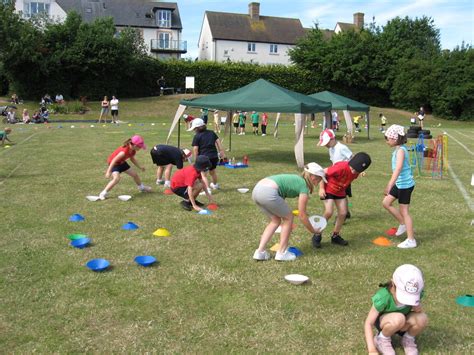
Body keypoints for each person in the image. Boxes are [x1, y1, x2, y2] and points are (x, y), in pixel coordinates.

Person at [252, 163, 327, 261]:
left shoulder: (296, 180)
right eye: (319, 179)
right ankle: (282, 253)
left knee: (275, 220)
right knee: (289, 218)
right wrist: (313, 231)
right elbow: (302, 215)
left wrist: (302, 213)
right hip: (268, 192)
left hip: (257, 190)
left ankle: (260, 252)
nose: (320, 181)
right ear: (313, 177)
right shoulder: (304, 186)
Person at [364, 264, 428, 355]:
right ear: (393, 284)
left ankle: (408, 339)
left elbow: (418, 312)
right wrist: (372, 350)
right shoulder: (383, 297)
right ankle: (382, 339)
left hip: (403, 322)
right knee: (399, 318)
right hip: (386, 322)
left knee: (422, 318)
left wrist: (417, 307)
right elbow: (368, 323)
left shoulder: (416, 291)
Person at [315, 152, 371, 248]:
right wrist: (321, 188)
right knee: (329, 212)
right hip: (328, 189)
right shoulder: (340, 167)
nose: (353, 172)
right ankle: (317, 234)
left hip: (340, 192)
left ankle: (335, 236)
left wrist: (358, 172)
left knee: (343, 213)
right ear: (350, 163)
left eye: (357, 171)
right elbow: (322, 172)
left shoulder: (356, 172)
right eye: (353, 169)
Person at [382, 125, 417, 249]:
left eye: (388, 139)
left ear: (395, 139)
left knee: (404, 211)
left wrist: (389, 185)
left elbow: (398, 169)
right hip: (399, 184)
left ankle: (411, 240)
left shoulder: (401, 151)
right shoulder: (398, 150)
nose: (387, 141)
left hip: (405, 185)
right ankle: (402, 224)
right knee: (386, 203)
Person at [98, 135, 151, 200]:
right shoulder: (123, 152)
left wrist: (140, 167)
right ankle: (103, 193)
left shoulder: (133, 151)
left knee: (135, 175)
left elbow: (132, 159)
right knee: (116, 179)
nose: (140, 148)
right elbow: (113, 160)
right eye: (140, 147)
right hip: (115, 164)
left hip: (122, 163)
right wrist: (108, 172)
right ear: (134, 145)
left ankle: (141, 188)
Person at [318, 129, 354, 219]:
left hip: (344, 175)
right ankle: (346, 212)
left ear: (332, 139)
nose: (325, 145)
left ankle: (343, 214)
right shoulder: (331, 148)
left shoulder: (341, 148)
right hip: (336, 174)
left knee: (342, 193)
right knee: (341, 193)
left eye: (326, 143)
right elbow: (334, 162)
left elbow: (352, 158)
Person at [188, 118, 226, 190]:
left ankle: (207, 189)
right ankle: (215, 185)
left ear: (198, 128)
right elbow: (218, 143)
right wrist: (221, 152)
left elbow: (195, 149)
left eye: (194, 129)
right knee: (213, 172)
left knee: (203, 175)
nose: (194, 130)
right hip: (214, 157)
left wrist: (196, 159)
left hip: (203, 158)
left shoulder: (197, 136)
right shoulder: (212, 133)